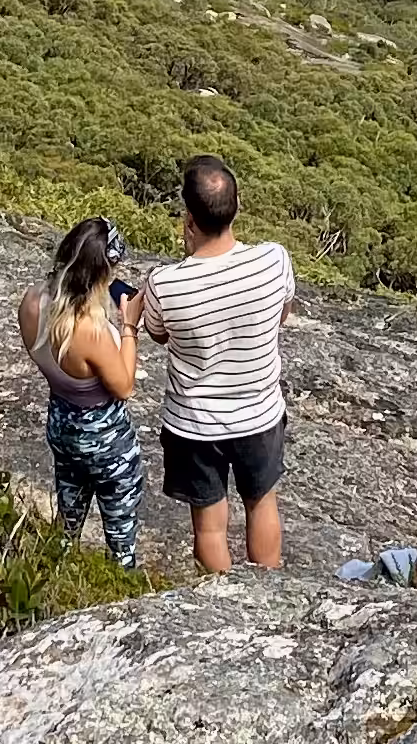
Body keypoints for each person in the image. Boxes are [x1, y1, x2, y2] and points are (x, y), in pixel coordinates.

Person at [140, 153, 294, 572]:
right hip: (260, 412)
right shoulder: (274, 260)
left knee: (209, 526)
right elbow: (281, 314)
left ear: (188, 219)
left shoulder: (166, 283)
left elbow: (158, 333)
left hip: (194, 423)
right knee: (262, 502)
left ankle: (221, 601)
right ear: (237, 207)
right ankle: (269, 585)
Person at [15, 215, 146, 568]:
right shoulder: (88, 330)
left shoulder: (31, 302)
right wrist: (129, 327)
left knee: (68, 518)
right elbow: (124, 386)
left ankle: (55, 575)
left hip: (61, 422)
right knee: (120, 530)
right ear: (102, 272)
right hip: (104, 440)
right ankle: (121, 583)